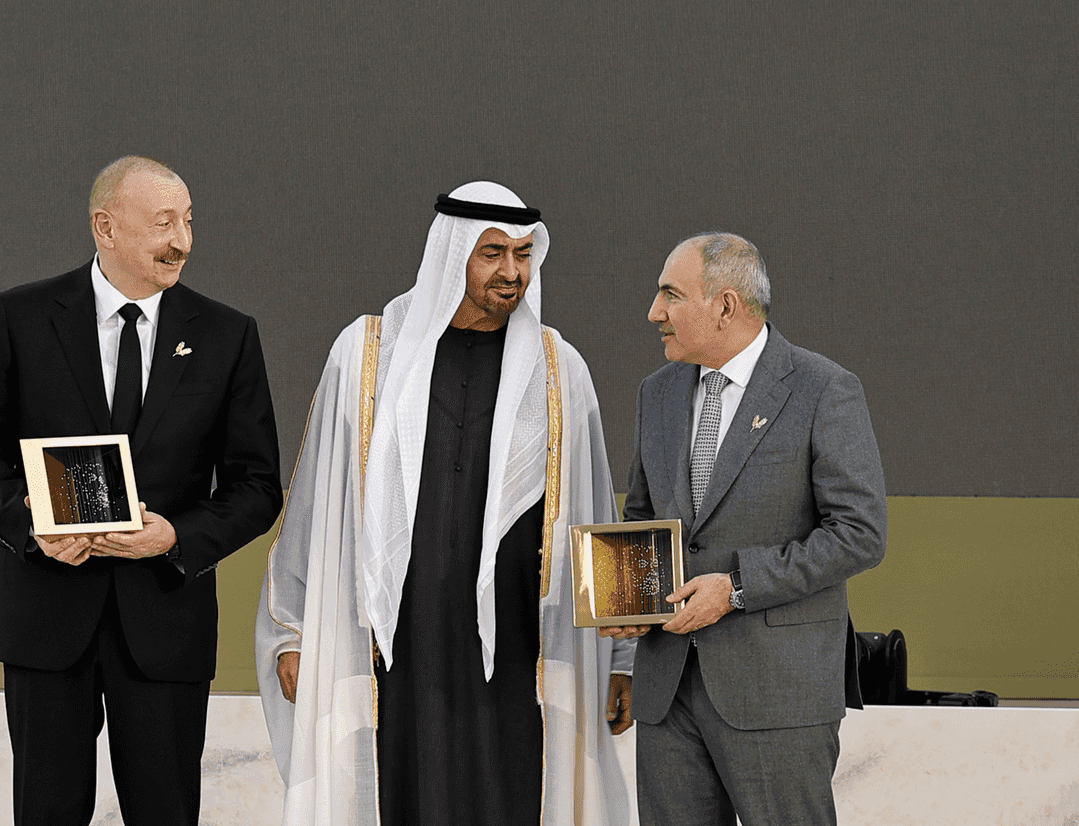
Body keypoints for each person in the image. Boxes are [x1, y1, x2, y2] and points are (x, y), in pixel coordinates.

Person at [256, 182, 632, 826]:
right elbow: (315, 505)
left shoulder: (558, 368)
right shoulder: (366, 354)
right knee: (401, 786)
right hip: (398, 641)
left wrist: (622, 658)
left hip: (520, 645)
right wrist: (291, 632)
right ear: (451, 253)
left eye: (523, 254)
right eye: (492, 253)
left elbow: (597, 511)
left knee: (516, 788)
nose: (511, 272)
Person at [0, 156, 282, 826]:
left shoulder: (227, 334)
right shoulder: (18, 316)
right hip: (45, 619)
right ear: (105, 226)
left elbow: (257, 486)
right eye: (164, 223)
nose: (182, 240)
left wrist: (177, 537)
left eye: (188, 221)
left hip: (166, 623)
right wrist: (33, 528)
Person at [605, 233, 886, 826]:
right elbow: (643, 520)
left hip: (778, 693)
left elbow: (859, 533)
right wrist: (629, 608)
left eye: (671, 295)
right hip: (667, 692)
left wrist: (733, 589)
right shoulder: (657, 393)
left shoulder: (823, 388)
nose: (654, 312)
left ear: (725, 306)